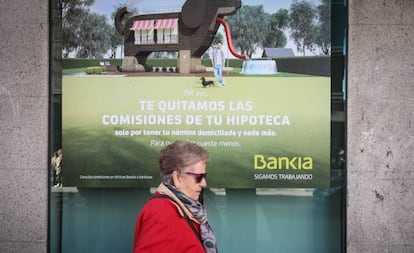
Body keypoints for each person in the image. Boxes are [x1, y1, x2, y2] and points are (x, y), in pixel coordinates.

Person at [133, 140, 218, 253]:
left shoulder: (185, 208)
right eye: (198, 177)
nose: (204, 183)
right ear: (177, 177)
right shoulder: (160, 213)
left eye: (204, 176)